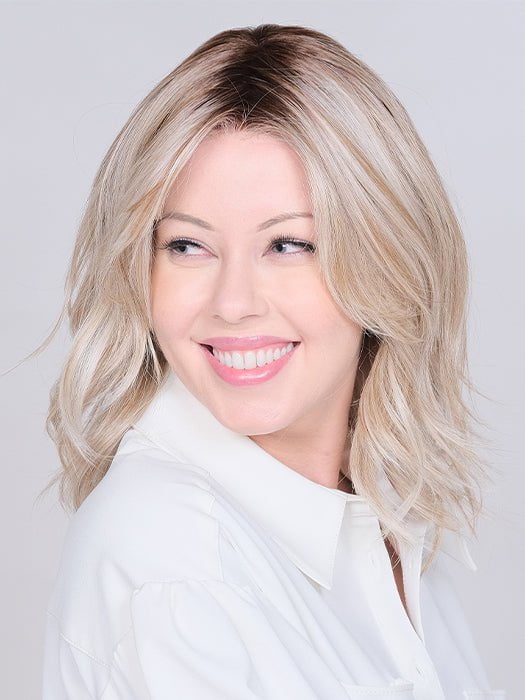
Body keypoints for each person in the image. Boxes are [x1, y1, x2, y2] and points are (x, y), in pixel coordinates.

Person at [40, 24, 506, 699]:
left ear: (388, 257)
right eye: (187, 246)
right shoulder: (174, 565)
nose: (232, 304)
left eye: (288, 245)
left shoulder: (380, 516)